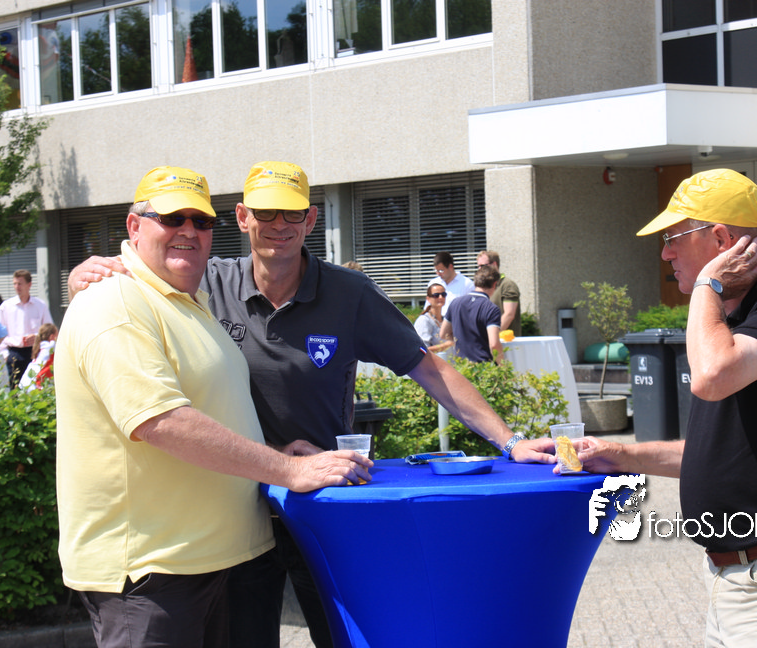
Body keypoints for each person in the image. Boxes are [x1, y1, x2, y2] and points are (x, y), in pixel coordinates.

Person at [68, 160, 555, 648]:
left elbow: (430, 368)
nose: (279, 224)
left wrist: (510, 441)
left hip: (320, 505)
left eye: (292, 212)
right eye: (266, 211)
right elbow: (140, 290)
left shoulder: (348, 293)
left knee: (344, 637)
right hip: (237, 520)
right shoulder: (204, 282)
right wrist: (91, 277)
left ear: (311, 219)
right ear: (243, 217)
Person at [56, 166, 371, 648]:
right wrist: (289, 470)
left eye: (201, 221)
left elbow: (211, 416)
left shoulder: (190, 302)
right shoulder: (114, 302)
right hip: (153, 574)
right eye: (171, 218)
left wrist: (276, 450)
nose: (188, 231)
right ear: (134, 226)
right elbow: (161, 422)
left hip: (213, 565)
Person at [567, 168, 757, 646]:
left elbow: (710, 377)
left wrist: (708, 284)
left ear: (721, 239)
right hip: (742, 580)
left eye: (672, 239)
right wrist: (620, 455)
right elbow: (720, 453)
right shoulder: (734, 321)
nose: (665, 254)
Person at [0, 269, 55, 389]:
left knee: (36, 388)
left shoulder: (40, 305)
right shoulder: (6, 306)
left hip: (35, 352)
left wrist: (37, 337)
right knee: (14, 389)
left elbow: (50, 329)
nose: (17, 287)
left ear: (29, 285)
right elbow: (0, 333)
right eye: (15, 283)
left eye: (20, 284)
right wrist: (5, 355)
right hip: (14, 353)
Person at [440, 265, 502, 364]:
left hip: (461, 365)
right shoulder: (491, 309)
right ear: (494, 284)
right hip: (483, 366)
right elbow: (494, 344)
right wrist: (503, 366)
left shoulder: (455, 303)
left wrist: (460, 342)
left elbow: (443, 334)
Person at [476, 250, 522, 335]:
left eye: (482, 266)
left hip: (505, 340)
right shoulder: (482, 287)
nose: (479, 269)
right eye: (478, 266)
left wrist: (491, 336)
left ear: (494, 264)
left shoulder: (507, 285)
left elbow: (509, 315)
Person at [414, 280, 453, 353]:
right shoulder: (424, 320)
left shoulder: (446, 320)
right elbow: (422, 350)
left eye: (443, 294)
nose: (440, 297)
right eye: (436, 295)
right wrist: (446, 345)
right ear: (428, 299)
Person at [18, 322, 58, 391]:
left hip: (26, 381)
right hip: (35, 383)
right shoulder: (51, 346)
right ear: (52, 337)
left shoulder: (40, 347)